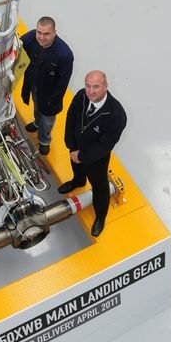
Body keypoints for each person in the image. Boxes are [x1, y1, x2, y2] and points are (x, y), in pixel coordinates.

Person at [58, 70, 127, 237]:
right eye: (88, 86)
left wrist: (82, 156)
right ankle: (78, 181)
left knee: (99, 187)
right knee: (77, 168)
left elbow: (105, 145)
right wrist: (72, 146)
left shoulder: (116, 115)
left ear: (105, 86)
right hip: (76, 149)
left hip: (96, 160)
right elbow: (71, 117)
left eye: (96, 87)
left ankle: (100, 217)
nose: (91, 91)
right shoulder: (82, 96)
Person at [21, 17, 74, 155]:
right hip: (34, 84)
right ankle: (36, 123)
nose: (41, 37)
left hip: (51, 94)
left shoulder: (64, 55)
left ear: (54, 33)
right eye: (39, 32)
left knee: (47, 119)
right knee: (36, 106)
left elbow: (63, 83)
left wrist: (53, 100)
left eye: (46, 34)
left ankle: (44, 140)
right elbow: (17, 44)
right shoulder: (32, 37)